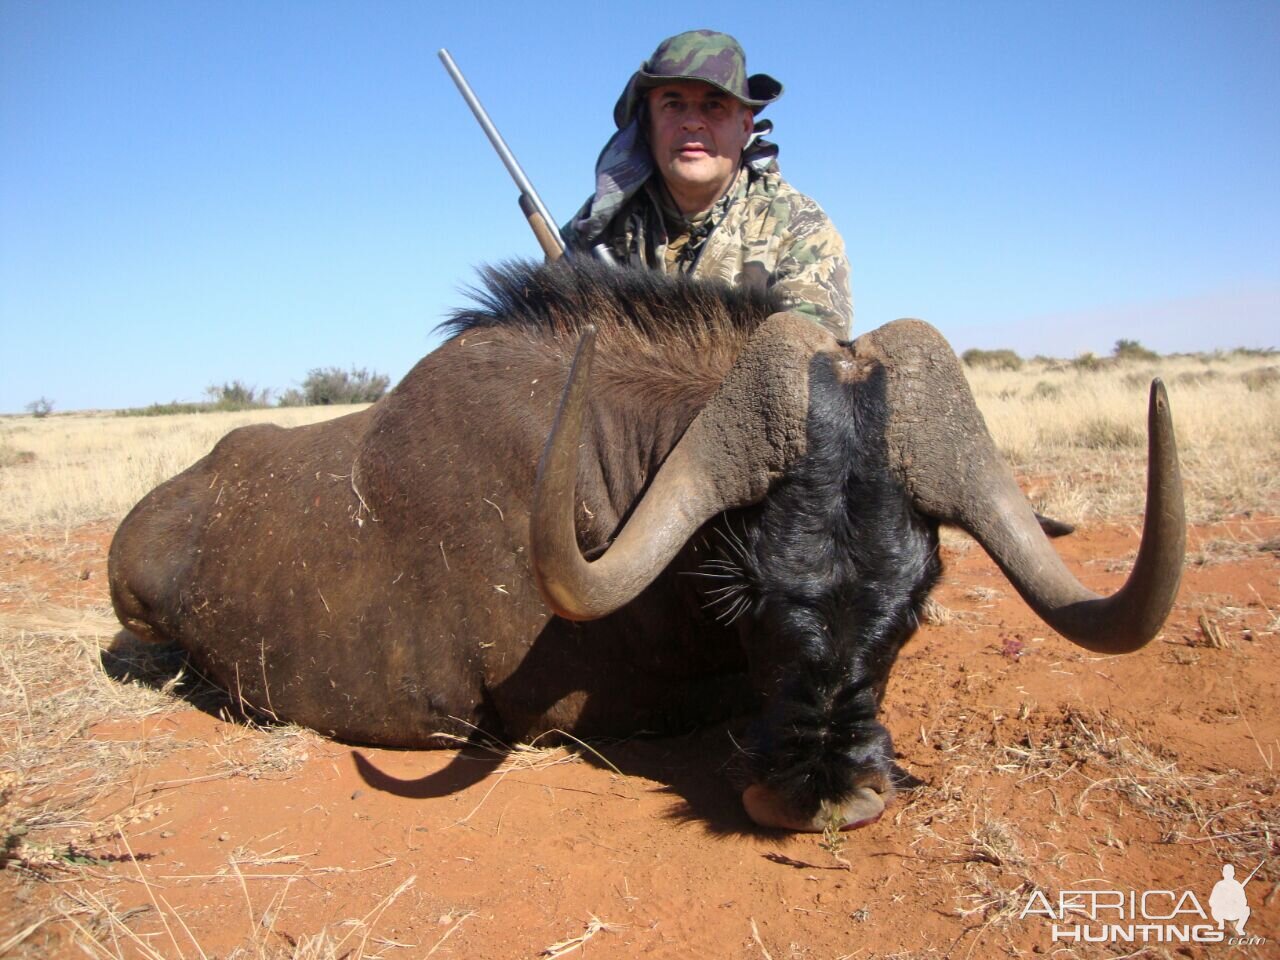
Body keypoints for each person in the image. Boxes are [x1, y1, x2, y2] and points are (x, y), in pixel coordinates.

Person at [564, 29, 853, 339]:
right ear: (647, 124)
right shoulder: (597, 225)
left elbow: (810, 362)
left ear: (745, 127)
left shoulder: (799, 226)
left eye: (714, 106)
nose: (692, 123)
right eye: (673, 105)